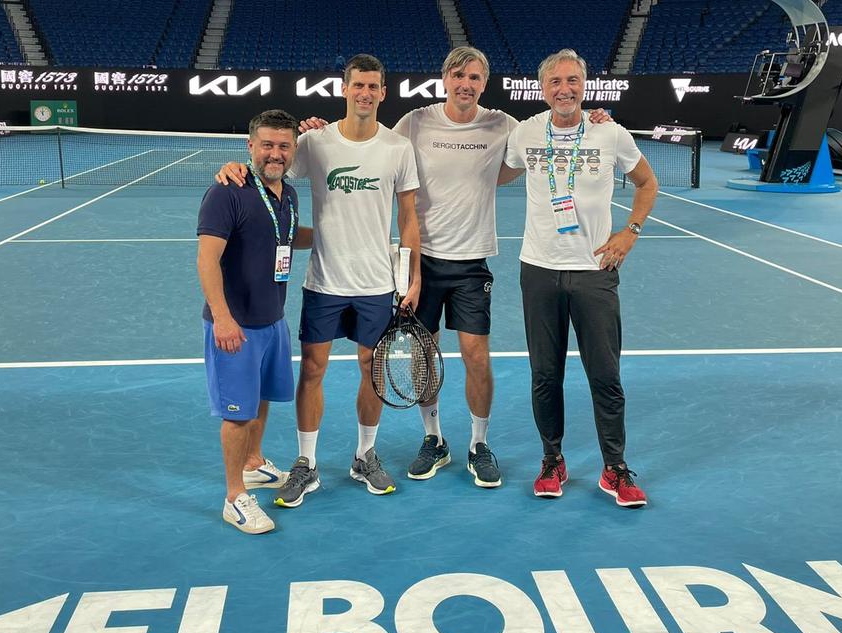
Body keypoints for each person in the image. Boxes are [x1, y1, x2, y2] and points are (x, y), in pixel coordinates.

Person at [280, 47, 613, 490]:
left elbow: (550, 133)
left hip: (473, 261)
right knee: (425, 358)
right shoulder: (415, 122)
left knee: (477, 356)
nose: (466, 83)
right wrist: (316, 132)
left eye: (474, 77)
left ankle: (478, 443)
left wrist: (593, 121)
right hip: (423, 261)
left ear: (484, 83)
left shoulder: (503, 126)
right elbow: (368, 150)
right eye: (458, 75)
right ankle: (433, 437)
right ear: (444, 79)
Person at [218, 54, 422, 506]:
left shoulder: (397, 148)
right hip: (324, 280)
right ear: (344, 89)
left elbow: (409, 216)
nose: (365, 94)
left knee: (373, 370)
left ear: (383, 93)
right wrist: (233, 167)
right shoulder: (314, 143)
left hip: (375, 283)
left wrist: (413, 275)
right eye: (357, 86)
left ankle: (364, 455)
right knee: (312, 370)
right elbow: (268, 170)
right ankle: (306, 464)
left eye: (373, 86)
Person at [502, 49, 658, 508]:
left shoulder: (610, 132)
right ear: (543, 87)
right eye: (555, 82)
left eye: (572, 80)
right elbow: (494, 174)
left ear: (585, 85)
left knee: (605, 376)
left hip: (595, 271)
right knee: (545, 376)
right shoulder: (526, 133)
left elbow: (647, 183)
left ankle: (615, 468)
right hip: (539, 269)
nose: (564, 89)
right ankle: (553, 460)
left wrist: (629, 232)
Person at [197, 109, 313, 533]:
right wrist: (224, 320)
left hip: (272, 320)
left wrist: (338, 235)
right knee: (238, 413)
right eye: (267, 144)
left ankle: (252, 463)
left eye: (284, 146)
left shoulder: (290, 195)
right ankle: (234, 496)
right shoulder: (227, 192)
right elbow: (207, 259)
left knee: (262, 399)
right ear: (250, 146)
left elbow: (288, 236)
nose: (275, 153)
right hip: (236, 326)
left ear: (294, 150)